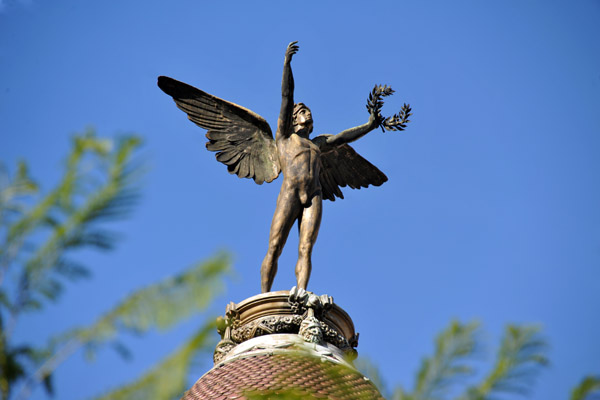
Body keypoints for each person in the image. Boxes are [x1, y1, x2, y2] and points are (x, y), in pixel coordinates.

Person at [260, 42, 381, 292]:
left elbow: (344, 137)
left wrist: (370, 125)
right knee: (275, 246)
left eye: (309, 112)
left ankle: (301, 293)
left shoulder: (318, 144)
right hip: (290, 192)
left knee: (306, 247)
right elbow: (287, 97)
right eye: (303, 111)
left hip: (313, 195)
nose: (308, 114)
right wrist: (287, 65)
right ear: (294, 120)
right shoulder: (284, 138)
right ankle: (264, 297)